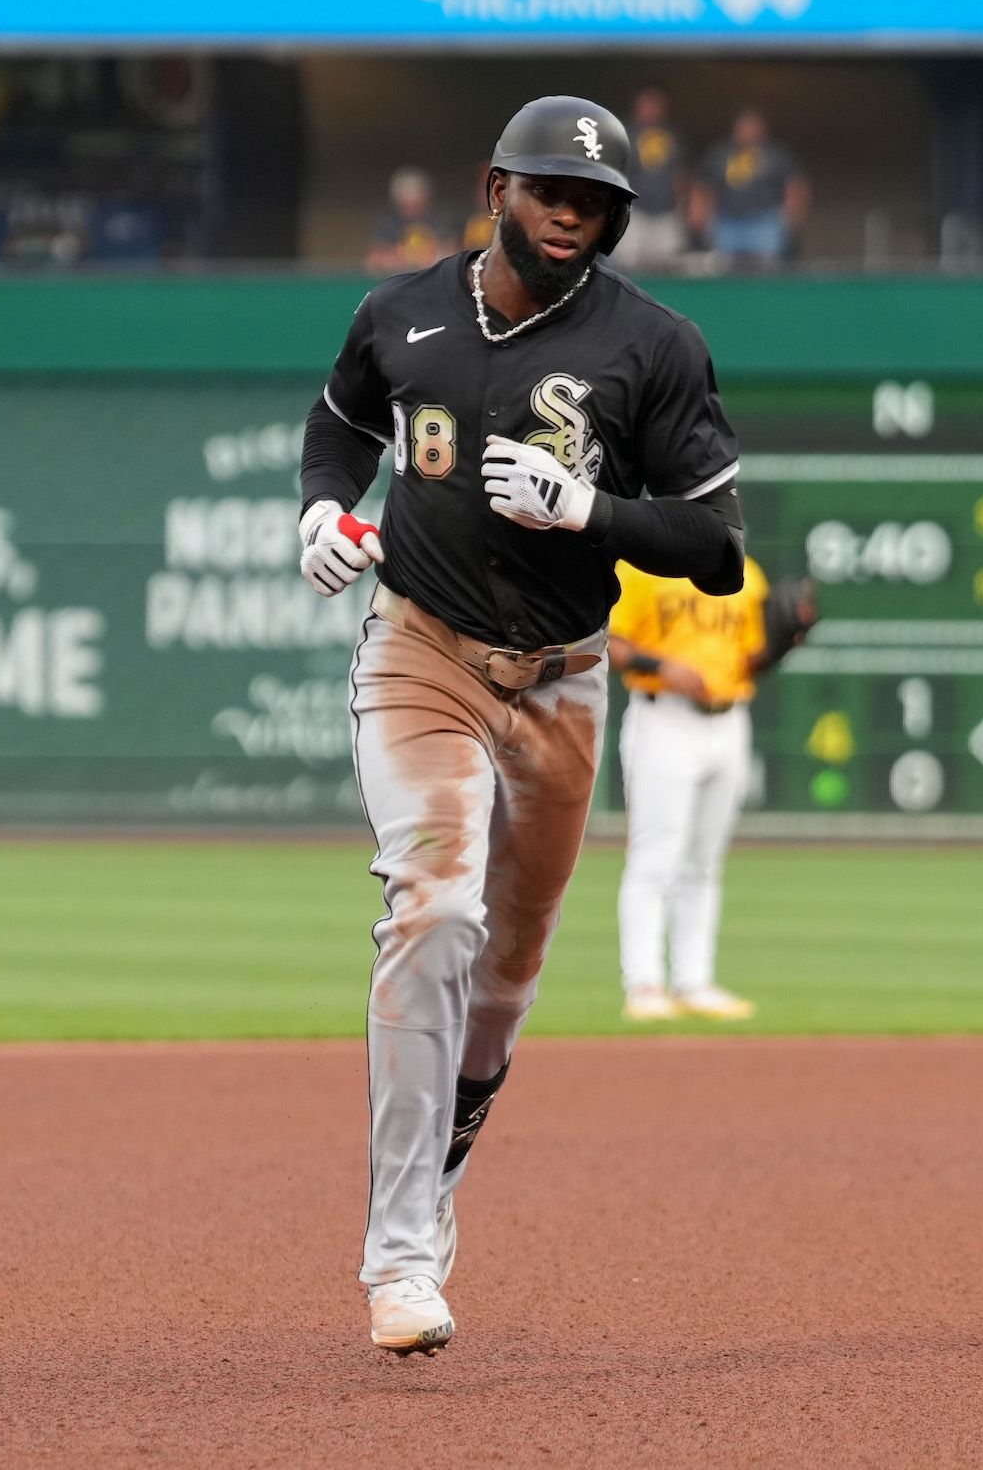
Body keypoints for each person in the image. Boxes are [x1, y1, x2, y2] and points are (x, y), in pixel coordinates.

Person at [295, 95, 746, 1356]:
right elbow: (339, 424)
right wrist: (324, 509)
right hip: (422, 645)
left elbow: (715, 548)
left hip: (563, 676)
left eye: (598, 202)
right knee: (435, 905)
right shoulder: (401, 313)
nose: (574, 215)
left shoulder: (652, 344)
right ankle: (397, 1254)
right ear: (496, 185)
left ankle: (434, 1179)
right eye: (553, 190)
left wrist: (590, 507)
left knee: (504, 978)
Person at [608, 562, 816, 1024]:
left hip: (729, 722)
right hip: (662, 717)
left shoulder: (744, 572)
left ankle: (693, 982)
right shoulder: (643, 566)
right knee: (654, 859)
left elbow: (750, 658)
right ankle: (643, 985)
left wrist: (785, 645)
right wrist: (661, 665)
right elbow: (610, 643)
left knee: (703, 862)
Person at [692, 109, 808, 266]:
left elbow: (794, 186)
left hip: (764, 221)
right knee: (724, 267)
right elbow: (703, 187)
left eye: (752, 128)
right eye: (744, 128)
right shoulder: (719, 154)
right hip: (727, 221)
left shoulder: (777, 155)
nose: (747, 132)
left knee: (767, 266)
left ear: (762, 130)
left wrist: (793, 215)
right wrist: (699, 212)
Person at [616, 88, 689, 269]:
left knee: (668, 264)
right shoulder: (623, 134)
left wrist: (684, 206)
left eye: (655, 105)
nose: (651, 109)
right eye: (646, 104)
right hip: (634, 210)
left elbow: (681, 173)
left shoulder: (673, 136)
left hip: (666, 211)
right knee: (628, 264)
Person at [366, 167, 455, 275]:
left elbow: (453, 252)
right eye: (406, 205)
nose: (412, 210)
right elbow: (374, 258)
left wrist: (431, 256)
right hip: (398, 281)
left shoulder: (439, 220)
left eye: (416, 204)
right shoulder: (389, 223)